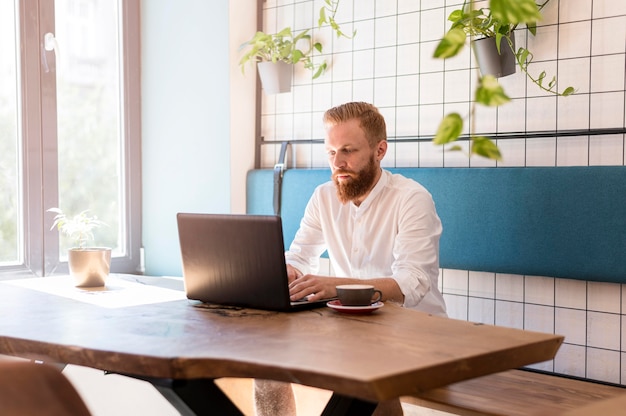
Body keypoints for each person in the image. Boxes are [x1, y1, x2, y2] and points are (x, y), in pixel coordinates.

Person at [254, 101, 447, 416]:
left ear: (379, 150)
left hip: (419, 336)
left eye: (348, 151)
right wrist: (280, 273)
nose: (337, 163)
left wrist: (336, 286)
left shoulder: (412, 199)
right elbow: (300, 257)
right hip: (353, 332)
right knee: (266, 369)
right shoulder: (323, 197)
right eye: (331, 153)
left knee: (368, 380)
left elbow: (412, 282)